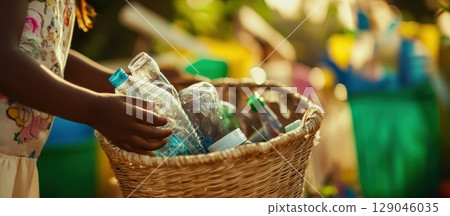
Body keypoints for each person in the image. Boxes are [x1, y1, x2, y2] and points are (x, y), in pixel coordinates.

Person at [0, 0, 173, 197]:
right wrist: (94, 109)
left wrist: (135, 87)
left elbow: (48, 55)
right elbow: (4, 60)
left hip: (19, 162)